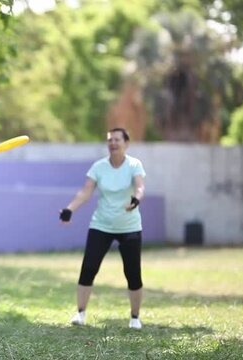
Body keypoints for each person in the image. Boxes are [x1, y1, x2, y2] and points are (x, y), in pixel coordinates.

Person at [59, 128, 146, 329]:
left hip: (129, 226)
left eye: (117, 139)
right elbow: (85, 192)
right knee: (88, 268)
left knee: (133, 273)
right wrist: (69, 209)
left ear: (126, 143)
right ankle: (80, 313)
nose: (113, 143)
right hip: (101, 225)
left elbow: (140, 187)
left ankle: (135, 317)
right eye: (110, 140)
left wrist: (137, 199)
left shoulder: (134, 165)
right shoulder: (99, 167)